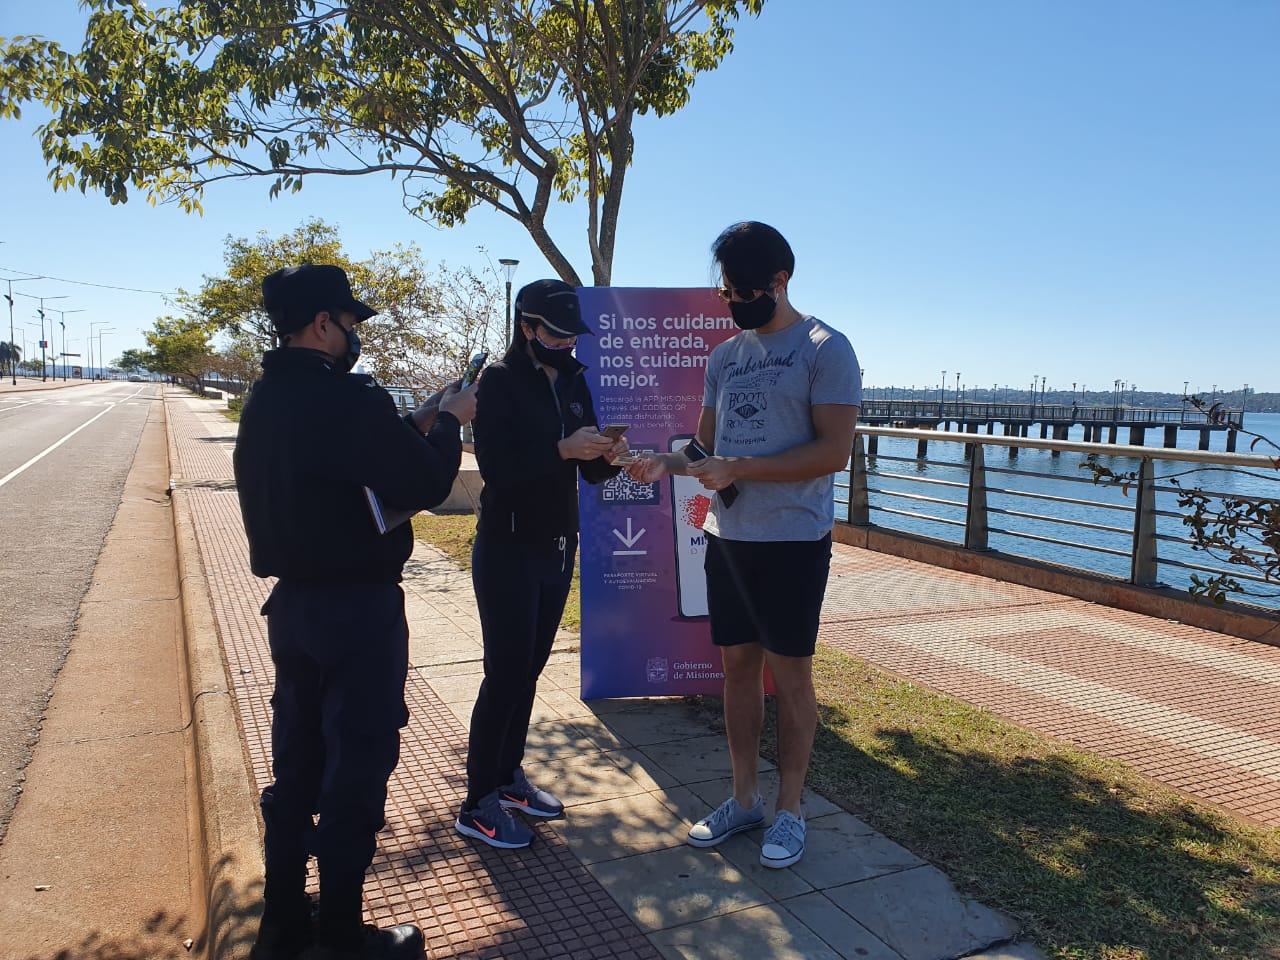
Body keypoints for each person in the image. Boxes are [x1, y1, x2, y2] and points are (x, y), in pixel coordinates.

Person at [233, 264, 477, 960]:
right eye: (350, 323)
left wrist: (415, 421)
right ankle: (342, 935)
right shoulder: (350, 399)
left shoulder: (264, 400)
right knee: (357, 764)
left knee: (297, 760)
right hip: (359, 615)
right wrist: (452, 422)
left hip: (293, 609)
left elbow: (336, 462)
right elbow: (427, 482)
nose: (354, 336)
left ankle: (282, 921)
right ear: (322, 324)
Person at [626, 222, 861, 869]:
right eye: (725, 293)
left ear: (779, 281)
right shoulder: (725, 357)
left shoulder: (826, 348)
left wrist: (740, 468)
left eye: (739, 291)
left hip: (792, 541)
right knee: (735, 671)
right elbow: (706, 451)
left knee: (789, 679)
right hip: (728, 540)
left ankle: (790, 810)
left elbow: (833, 452)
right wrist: (662, 463)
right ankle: (744, 798)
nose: (731, 303)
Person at [455, 279, 628, 849]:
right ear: (525, 327)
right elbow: (498, 467)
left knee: (527, 672)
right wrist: (560, 448)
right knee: (503, 674)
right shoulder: (499, 382)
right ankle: (477, 801)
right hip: (506, 547)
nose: (565, 344)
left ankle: (508, 777)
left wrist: (609, 455)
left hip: (558, 546)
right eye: (554, 333)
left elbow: (593, 473)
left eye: (572, 335)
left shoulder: (576, 379)